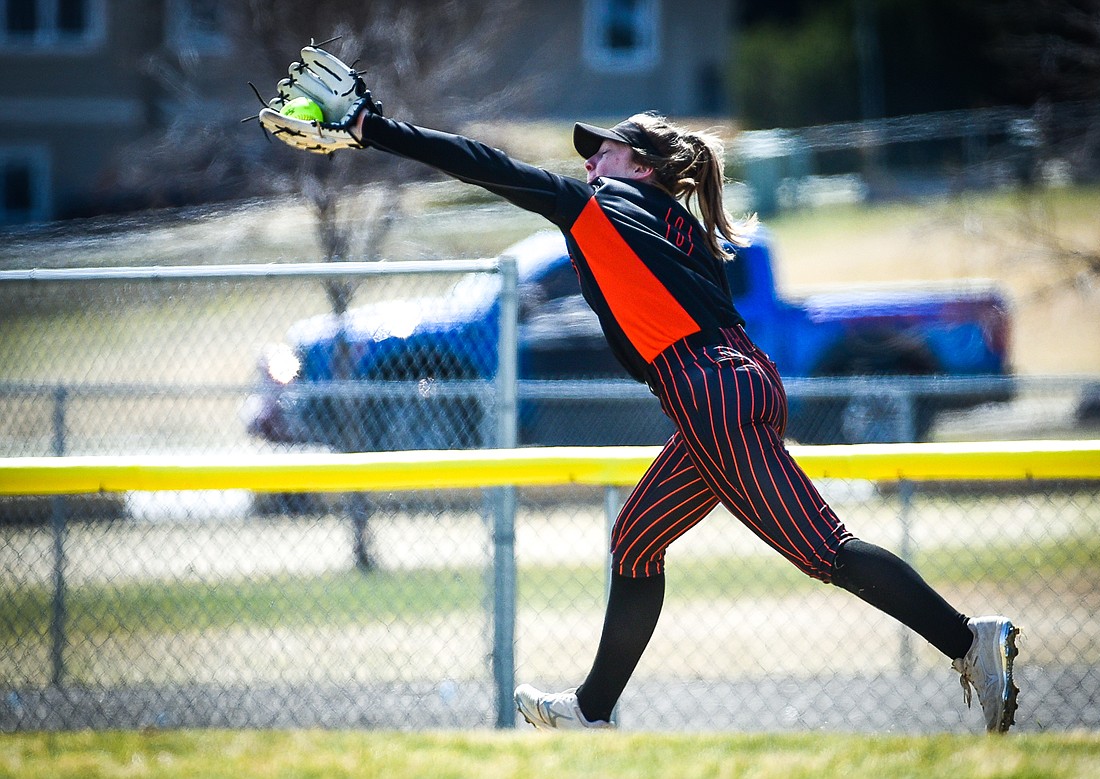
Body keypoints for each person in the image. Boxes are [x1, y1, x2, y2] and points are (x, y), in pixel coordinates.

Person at [341, 107, 1020, 733]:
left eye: (601, 153)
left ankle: (967, 640)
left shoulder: (602, 206)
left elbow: (479, 161)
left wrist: (373, 126)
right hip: (737, 383)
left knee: (825, 549)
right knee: (636, 539)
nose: (588, 165)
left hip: (709, 395)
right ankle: (591, 708)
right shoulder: (677, 222)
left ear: (639, 164)